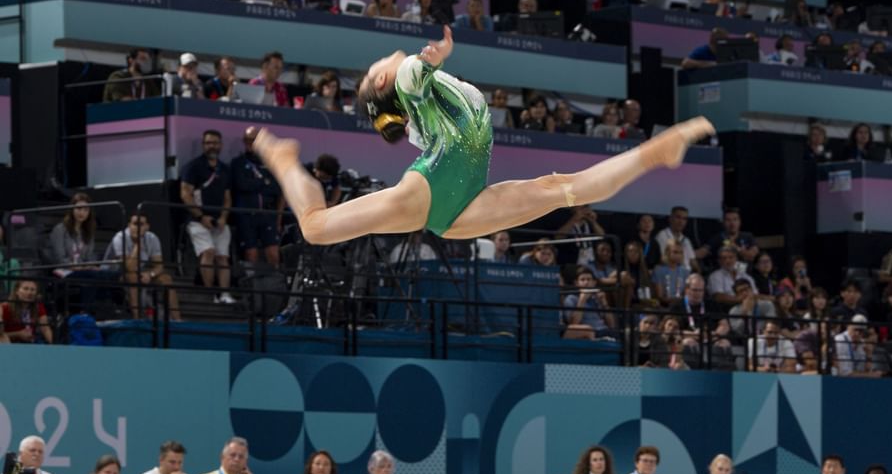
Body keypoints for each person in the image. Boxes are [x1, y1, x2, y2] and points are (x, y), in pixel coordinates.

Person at [253, 27, 715, 248]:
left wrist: (433, 62)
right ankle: (280, 156)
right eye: (374, 72)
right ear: (380, 85)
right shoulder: (409, 80)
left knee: (561, 189)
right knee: (314, 228)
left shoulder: (420, 100)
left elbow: (416, 89)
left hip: (458, 209)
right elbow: (415, 71)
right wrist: (436, 56)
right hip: (432, 190)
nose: (377, 64)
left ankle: (656, 152)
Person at [180, 130, 235, 304]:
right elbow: (185, 194)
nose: (212, 146)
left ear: (221, 145)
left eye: (216, 143)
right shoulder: (193, 167)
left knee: (223, 257)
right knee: (208, 252)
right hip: (197, 222)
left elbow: (227, 197)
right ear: (204, 145)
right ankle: (210, 294)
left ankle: (225, 294)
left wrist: (224, 217)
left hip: (219, 222)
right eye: (209, 143)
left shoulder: (225, 169)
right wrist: (201, 216)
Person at [102, 214, 182, 321]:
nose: (138, 228)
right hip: (112, 274)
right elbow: (129, 267)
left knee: (166, 279)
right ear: (129, 225)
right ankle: (137, 319)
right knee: (133, 277)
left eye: (142, 224)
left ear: (147, 226)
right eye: (135, 224)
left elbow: (159, 266)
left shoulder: (152, 238)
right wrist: (137, 245)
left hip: (135, 272)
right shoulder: (120, 237)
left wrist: (150, 274)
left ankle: (178, 320)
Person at [231, 128, 282, 266]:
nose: (250, 143)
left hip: (267, 215)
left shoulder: (270, 164)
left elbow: (276, 189)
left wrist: (278, 219)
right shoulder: (238, 163)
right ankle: (252, 283)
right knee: (251, 253)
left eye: (254, 140)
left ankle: (275, 284)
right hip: (246, 216)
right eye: (248, 140)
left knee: (273, 253)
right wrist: (263, 182)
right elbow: (242, 185)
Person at [2, 279, 53, 344]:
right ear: (16, 291)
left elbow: (45, 329)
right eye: (25, 289)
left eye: (32, 290)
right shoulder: (4, 307)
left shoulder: (38, 305)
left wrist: (53, 345)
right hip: (10, 345)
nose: (29, 293)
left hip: (31, 343)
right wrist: (18, 334)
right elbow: (1, 336)